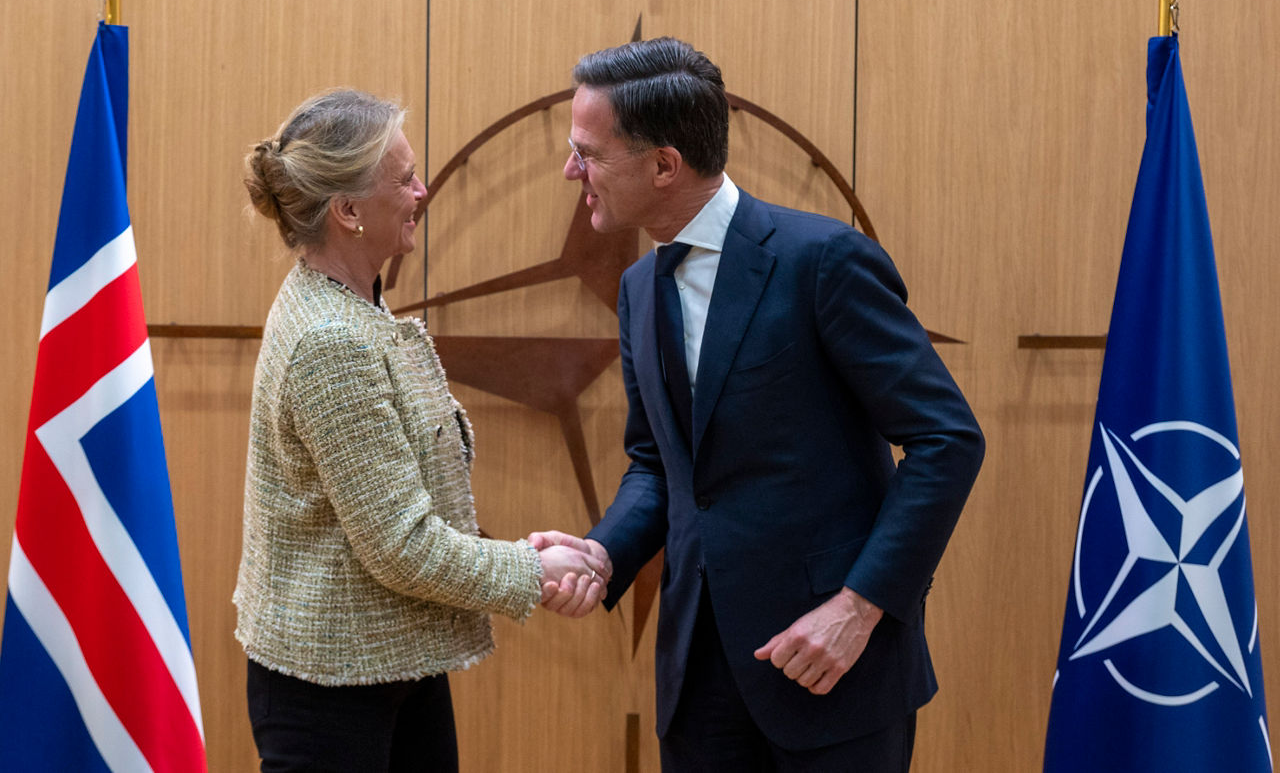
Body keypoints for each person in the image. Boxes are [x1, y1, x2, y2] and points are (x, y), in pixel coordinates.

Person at [532, 38, 985, 772]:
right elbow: (659, 465)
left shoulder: (824, 262)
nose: (571, 171)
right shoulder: (639, 288)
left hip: (833, 667)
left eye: (587, 153)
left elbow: (947, 439)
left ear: (663, 165)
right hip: (698, 686)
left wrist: (859, 607)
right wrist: (601, 553)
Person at [234, 88, 604, 773]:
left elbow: (396, 506)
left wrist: (519, 549)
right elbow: (402, 547)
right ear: (347, 212)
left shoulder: (356, 304)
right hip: (334, 687)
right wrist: (532, 569)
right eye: (404, 179)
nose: (422, 190)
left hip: (393, 661)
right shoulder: (331, 339)